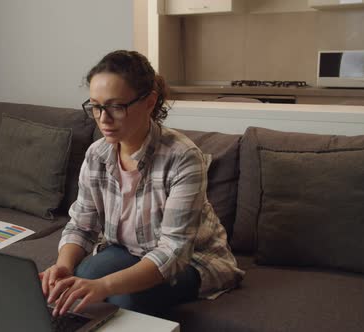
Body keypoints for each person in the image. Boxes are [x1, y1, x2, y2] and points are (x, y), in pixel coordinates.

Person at [40, 50, 244, 317]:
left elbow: (173, 252)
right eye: (96, 106)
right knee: (77, 278)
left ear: (149, 102)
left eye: (115, 107)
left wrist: (103, 286)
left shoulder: (183, 157)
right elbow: (82, 225)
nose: (103, 119)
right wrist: (63, 267)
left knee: (125, 298)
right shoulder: (96, 154)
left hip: (193, 259)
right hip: (127, 249)